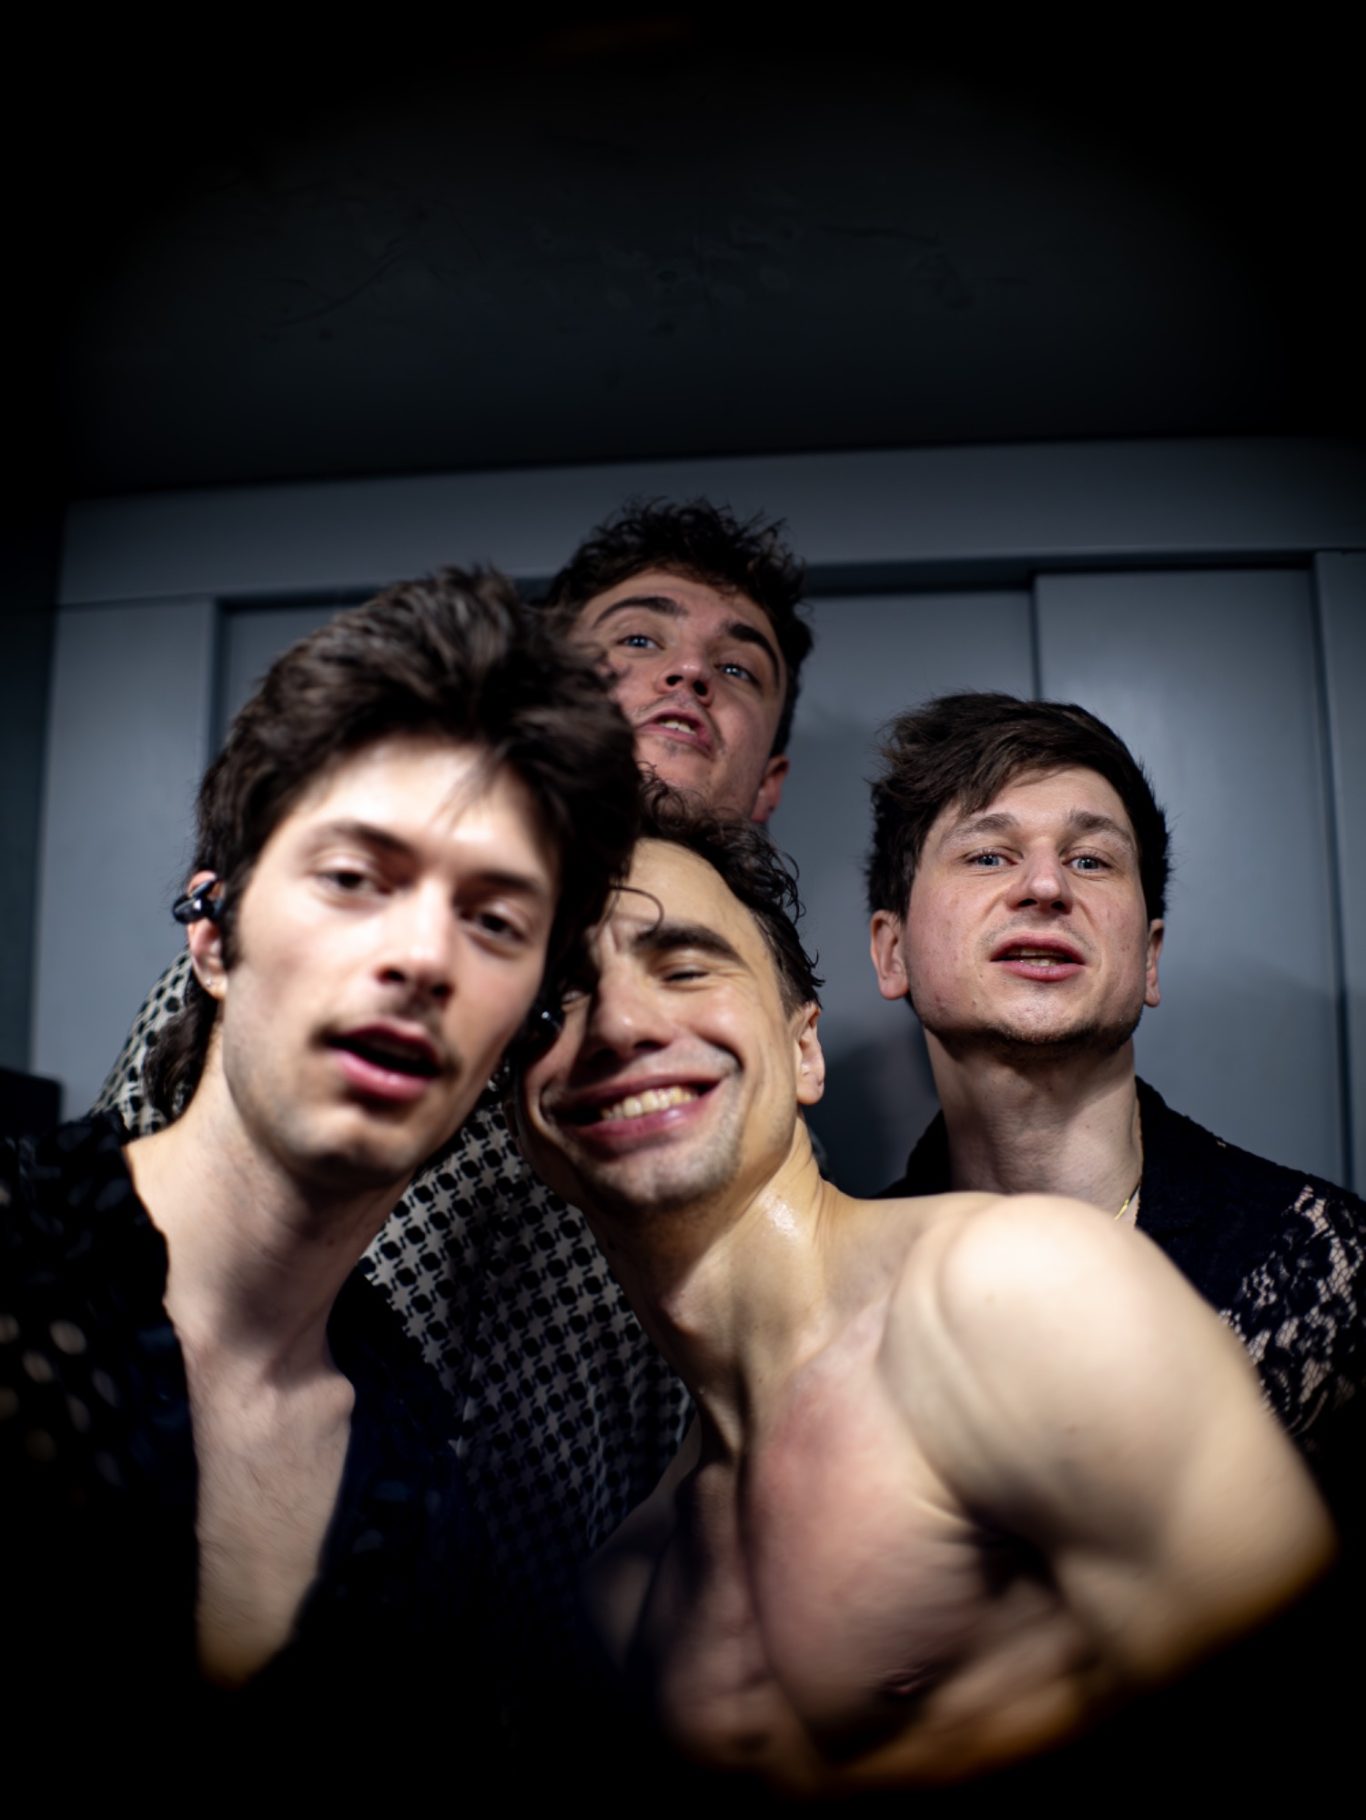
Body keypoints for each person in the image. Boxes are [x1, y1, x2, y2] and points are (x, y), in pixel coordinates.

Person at [88, 498, 813, 1665]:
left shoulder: (746, 1049)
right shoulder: (311, 968)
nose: (688, 674)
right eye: (638, 637)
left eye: (737, 666)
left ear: (769, 779)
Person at [513, 801, 1334, 1798]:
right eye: (554, 1006)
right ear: (521, 1117)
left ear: (804, 1051)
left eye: (684, 968)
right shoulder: (631, 1584)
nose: (617, 1024)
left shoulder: (1015, 1293)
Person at [1, 570, 640, 1757]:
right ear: (212, 931)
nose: (423, 956)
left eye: (495, 919)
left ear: (522, 1024)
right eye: (354, 877)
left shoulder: (424, 1499)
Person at [865, 693, 1365, 1504]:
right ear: (892, 953)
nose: (1045, 886)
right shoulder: (842, 1285)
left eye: (1091, 861)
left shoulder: (1330, 1263)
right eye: (988, 855)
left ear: (1150, 958)